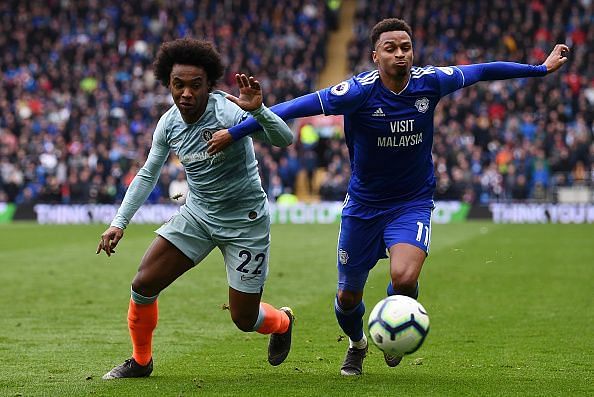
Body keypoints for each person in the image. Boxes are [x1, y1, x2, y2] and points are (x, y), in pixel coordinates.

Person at [206, 18, 569, 375]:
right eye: (391, 48)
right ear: (375, 56)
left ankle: (398, 320)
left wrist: (539, 69)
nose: (400, 54)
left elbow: (483, 70)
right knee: (348, 299)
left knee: (404, 277)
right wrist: (237, 131)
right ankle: (358, 345)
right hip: (363, 205)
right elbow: (295, 108)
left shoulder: (430, 82)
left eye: (406, 47)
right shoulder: (357, 92)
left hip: (411, 202)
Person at [96, 38, 295, 379]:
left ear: (208, 85)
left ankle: (283, 322)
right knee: (143, 284)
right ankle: (141, 361)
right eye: (178, 85)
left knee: (244, 319)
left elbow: (284, 138)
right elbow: (148, 173)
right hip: (198, 215)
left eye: (195, 85)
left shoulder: (229, 111)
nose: (186, 93)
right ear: (168, 85)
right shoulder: (169, 124)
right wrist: (119, 222)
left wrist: (257, 111)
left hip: (245, 222)